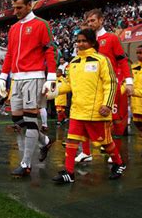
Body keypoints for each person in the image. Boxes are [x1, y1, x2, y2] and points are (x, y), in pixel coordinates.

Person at [47, 29, 124, 183]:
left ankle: (119, 163)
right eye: (79, 41)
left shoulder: (102, 60)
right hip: (77, 111)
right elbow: (69, 84)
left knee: (106, 142)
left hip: (97, 112)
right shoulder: (73, 63)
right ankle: (69, 173)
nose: (80, 44)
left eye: (84, 41)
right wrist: (52, 91)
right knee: (71, 141)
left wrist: (107, 105)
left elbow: (111, 84)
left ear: (93, 43)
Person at [0, 0, 55, 177]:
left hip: (34, 77)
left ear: (30, 5)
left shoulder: (41, 24)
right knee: (17, 119)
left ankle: (26, 164)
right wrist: (3, 76)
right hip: (16, 78)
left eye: (19, 7)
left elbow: (49, 50)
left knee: (30, 121)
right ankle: (45, 141)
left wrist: (51, 77)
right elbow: (9, 54)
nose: (16, 11)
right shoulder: (13, 28)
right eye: (14, 8)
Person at [85, 9, 133, 164]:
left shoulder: (111, 38)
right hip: (92, 87)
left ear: (101, 20)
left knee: (114, 121)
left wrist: (129, 81)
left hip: (110, 86)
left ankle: (115, 153)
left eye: (93, 20)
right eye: (88, 21)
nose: (90, 24)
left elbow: (122, 60)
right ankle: (90, 151)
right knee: (91, 118)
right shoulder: (86, 41)